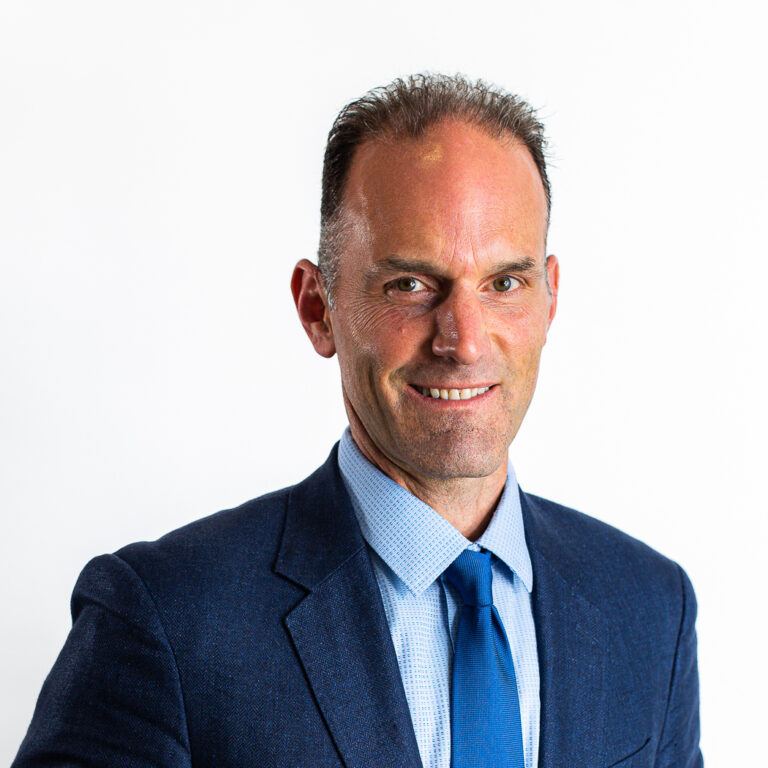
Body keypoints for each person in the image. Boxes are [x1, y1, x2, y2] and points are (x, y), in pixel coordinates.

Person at [13, 74, 702, 768]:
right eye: (411, 284)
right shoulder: (167, 619)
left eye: (504, 283)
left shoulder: (650, 610)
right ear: (318, 308)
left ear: (550, 299)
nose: (464, 341)